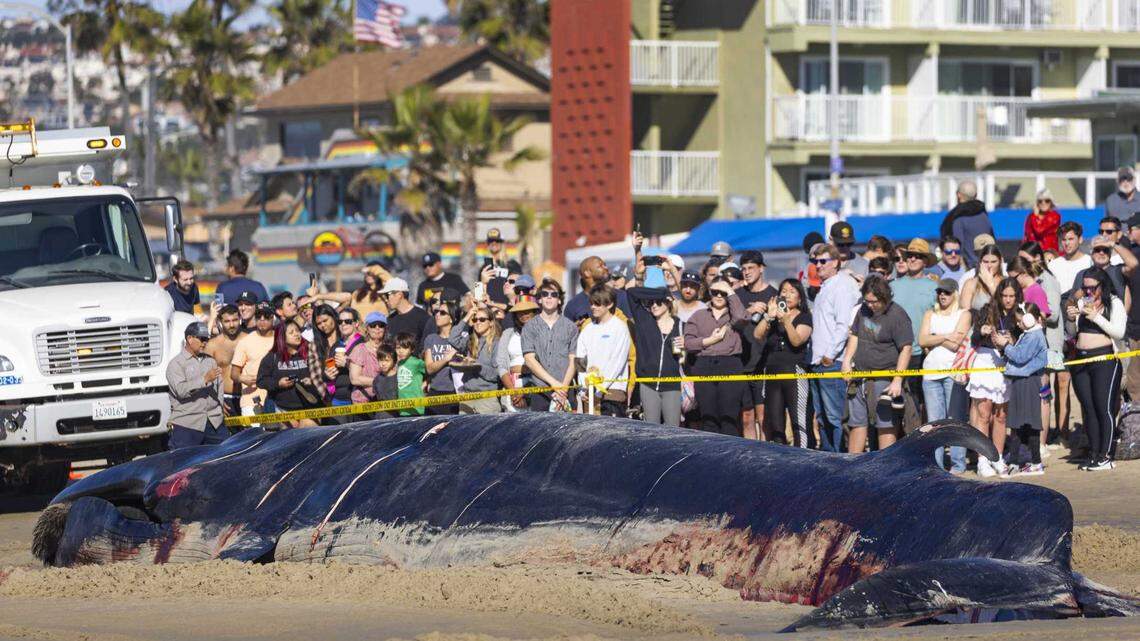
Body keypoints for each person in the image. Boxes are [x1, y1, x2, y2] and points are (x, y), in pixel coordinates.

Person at [842, 276, 913, 454]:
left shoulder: (897, 315)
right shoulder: (863, 310)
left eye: (874, 302)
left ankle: (886, 471)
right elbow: (855, 335)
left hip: (884, 378)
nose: (870, 305)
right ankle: (852, 468)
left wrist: (897, 380)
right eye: (867, 300)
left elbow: (906, 349)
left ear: (885, 298)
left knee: (886, 426)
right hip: (859, 378)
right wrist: (846, 361)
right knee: (856, 424)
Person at [1066, 267, 1126, 471]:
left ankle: (1106, 455)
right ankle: (1093, 453)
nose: (1089, 292)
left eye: (1093, 287)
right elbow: (1073, 333)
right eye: (1085, 288)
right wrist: (1071, 317)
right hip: (1082, 361)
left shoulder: (1114, 303)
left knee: (1104, 407)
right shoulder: (1083, 302)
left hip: (1105, 360)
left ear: (1102, 285)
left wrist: (1096, 317)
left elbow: (1119, 332)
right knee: (1089, 409)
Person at [808, 243, 862, 452]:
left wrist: (829, 355)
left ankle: (840, 460)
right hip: (818, 362)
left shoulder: (842, 285)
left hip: (833, 361)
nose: (818, 265)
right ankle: (830, 461)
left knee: (835, 416)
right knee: (822, 417)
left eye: (823, 261)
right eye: (815, 261)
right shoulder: (826, 286)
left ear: (836, 262)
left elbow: (843, 324)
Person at [970, 277, 1021, 477]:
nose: (1008, 300)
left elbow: (1024, 340)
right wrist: (981, 331)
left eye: (1011, 296)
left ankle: (998, 457)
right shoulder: (987, 311)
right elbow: (974, 338)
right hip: (985, 360)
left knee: (1001, 416)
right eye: (1004, 295)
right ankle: (982, 459)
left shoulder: (1019, 314)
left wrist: (1012, 339)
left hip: (1005, 364)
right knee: (983, 414)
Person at [919, 279, 971, 473]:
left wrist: (934, 336)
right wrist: (945, 336)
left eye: (947, 292)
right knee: (935, 422)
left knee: (955, 419)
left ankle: (958, 464)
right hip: (931, 372)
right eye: (940, 291)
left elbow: (956, 344)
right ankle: (937, 466)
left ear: (955, 294)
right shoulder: (929, 314)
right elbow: (922, 339)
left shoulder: (963, 314)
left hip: (953, 372)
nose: (942, 295)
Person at [753, 279, 813, 447]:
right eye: (784, 291)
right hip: (772, 372)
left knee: (798, 421)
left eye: (792, 291)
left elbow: (797, 341)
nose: (787, 294)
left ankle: (803, 457)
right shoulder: (773, 318)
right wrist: (768, 316)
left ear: (800, 297)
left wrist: (786, 320)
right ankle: (782, 459)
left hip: (794, 372)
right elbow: (757, 335)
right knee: (775, 422)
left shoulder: (804, 317)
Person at [684, 278, 747, 436]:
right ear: (709, 293)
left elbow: (742, 317)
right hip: (704, 365)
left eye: (723, 292)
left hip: (730, 364)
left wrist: (730, 291)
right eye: (715, 292)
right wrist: (709, 341)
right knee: (708, 418)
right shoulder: (698, 315)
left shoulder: (735, 313)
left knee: (730, 418)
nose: (719, 295)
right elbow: (688, 344)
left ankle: (731, 457)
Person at [890, 238, 939, 431]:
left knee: (919, 404)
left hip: (921, 353)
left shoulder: (934, 288)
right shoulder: (893, 286)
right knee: (894, 403)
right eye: (910, 255)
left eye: (918, 256)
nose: (912, 259)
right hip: (894, 352)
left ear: (925, 261)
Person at [996, 303, 1048, 477]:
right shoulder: (1029, 334)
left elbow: (1020, 356)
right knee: (1020, 422)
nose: (1018, 324)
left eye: (1020, 321)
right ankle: (1030, 462)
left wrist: (1005, 345)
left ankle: (1024, 463)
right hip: (1023, 380)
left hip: (1027, 381)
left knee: (1023, 423)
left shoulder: (1034, 336)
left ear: (1029, 319)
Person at [736, 250, 778, 440]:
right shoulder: (737, 295)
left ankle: (766, 455)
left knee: (763, 417)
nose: (746, 272)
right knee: (746, 417)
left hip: (764, 364)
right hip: (742, 363)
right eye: (743, 268)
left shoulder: (773, 295)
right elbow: (730, 323)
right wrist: (748, 311)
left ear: (761, 268)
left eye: (751, 268)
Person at [627, 286, 684, 426]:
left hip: (672, 383)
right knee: (652, 429)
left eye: (658, 302)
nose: (653, 305)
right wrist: (661, 293)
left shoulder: (681, 325)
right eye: (650, 302)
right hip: (648, 383)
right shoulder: (644, 320)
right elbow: (631, 293)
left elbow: (689, 354)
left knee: (673, 429)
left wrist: (687, 344)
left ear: (668, 302)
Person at [166, 322, 226, 449]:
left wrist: (219, 409)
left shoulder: (210, 361)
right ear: (189, 338)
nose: (205, 342)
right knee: (185, 466)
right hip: (187, 424)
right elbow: (180, 390)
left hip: (214, 422)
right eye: (202, 339)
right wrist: (204, 380)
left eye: (207, 339)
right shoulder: (176, 364)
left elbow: (219, 386)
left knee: (224, 460)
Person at [575, 284, 633, 417]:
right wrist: (584, 388)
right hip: (588, 393)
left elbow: (617, 363)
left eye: (597, 304)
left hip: (613, 392)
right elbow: (580, 360)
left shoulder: (620, 328)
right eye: (591, 303)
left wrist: (599, 390)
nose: (593, 307)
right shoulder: (587, 328)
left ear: (609, 304)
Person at [522, 278, 578, 412]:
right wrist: (555, 385)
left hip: (566, 391)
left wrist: (563, 389)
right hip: (540, 390)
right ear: (539, 299)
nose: (549, 297)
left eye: (554, 294)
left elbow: (573, 360)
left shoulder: (571, 327)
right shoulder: (529, 327)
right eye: (545, 294)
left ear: (559, 300)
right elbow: (529, 360)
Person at [256, 322, 322, 427]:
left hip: (309, 409)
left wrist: (311, 381)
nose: (297, 334)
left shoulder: (311, 352)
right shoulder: (272, 356)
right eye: (291, 332)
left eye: (297, 331)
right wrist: (278, 383)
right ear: (282, 337)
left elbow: (321, 375)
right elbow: (261, 381)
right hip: (283, 411)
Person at [451, 304, 503, 414]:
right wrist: (467, 317)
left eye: (482, 319)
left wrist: (477, 366)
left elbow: (496, 375)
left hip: (487, 398)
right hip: (467, 396)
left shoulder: (497, 343)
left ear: (491, 323)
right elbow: (452, 339)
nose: (478, 322)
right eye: (475, 319)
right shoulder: (470, 340)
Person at [230, 304, 276, 417]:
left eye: (266, 316)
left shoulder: (281, 339)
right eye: (258, 316)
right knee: (256, 435)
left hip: (278, 400)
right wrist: (242, 378)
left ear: (273, 318)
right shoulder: (245, 342)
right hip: (251, 401)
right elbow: (234, 373)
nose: (262, 320)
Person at [423, 299, 466, 415]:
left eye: (442, 313)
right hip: (435, 392)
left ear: (452, 318)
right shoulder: (431, 338)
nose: (437, 315)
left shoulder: (461, 340)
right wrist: (446, 358)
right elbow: (429, 368)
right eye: (436, 312)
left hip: (455, 393)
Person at [495, 295, 538, 412]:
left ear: (534, 312)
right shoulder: (508, 333)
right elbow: (501, 364)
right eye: (519, 312)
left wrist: (524, 392)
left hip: (535, 388)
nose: (523, 314)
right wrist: (514, 392)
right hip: (511, 388)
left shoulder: (542, 334)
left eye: (527, 311)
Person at [1068, 234, 1137, 304]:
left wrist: (1112, 244)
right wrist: (1076, 297)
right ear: (1091, 253)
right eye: (1097, 250)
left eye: (1105, 250)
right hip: (1090, 313)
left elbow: (1134, 264)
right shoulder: (1082, 274)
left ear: (1110, 253)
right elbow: (1069, 303)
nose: (1101, 253)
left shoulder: (1118, 271)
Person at [940, 180, 993, 268]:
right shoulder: (984, 216)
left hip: (968, 267)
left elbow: (957, 244)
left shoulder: (957, 218)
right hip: (987, 265)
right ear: (976, 195)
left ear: (959, 195)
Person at [564, 255, 633, 322]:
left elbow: (633, 326)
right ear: (587, 273)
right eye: (600, 266)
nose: (606, 268)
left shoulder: (621, 296)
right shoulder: (573, 305)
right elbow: (567, 332)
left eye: (605, 265)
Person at [204, 304, 245, 416]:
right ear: (220, 322)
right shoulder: (212, 345)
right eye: (227, 321)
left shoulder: (250, 340)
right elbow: (205, 376)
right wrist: (216, 399)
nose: (231, 325)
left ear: (240, 319)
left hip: (248, 398)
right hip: (223, 399)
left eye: (235, 320)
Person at [347, 312, 386, 405]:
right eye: (373, 325)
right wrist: (383, 382)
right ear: (367, 328)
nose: (377, 328)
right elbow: (354, 379)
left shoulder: (390, 349)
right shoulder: (359, 349)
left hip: (385, 400)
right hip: (362, 402)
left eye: (381, 325)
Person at [381, 277, 430, 347]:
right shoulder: (390, 320)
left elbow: (427, 347)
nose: (386, 300)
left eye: (387, 295)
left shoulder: (423, 317)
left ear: (399, 295)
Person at [1048, 222, 1092, 296]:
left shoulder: (1089, 262)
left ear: (1080, 239)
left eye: (1071, 239)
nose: (1067, 243)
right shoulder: (1053, 265)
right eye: (1063, 239)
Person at [960, 244, 1003, 311]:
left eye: (993, 262)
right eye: (985, 262)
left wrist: (990, 285)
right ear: (980, 262)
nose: (989, 265)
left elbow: (1005, 308)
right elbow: (965, 312)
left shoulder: (1006, 282)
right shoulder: (970, 283)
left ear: (1000, 262)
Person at [393, 332, 427, 416]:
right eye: (398, 348)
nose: (401, 351)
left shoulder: (417, 362)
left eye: (405, 348)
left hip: (416, 407)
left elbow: (430, 371)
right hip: (403, 408)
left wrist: (426, 383)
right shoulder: (399, 363)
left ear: (412, 349)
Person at [1022, 188, 1061, 255]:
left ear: (1051, 202)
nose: (1043, 203)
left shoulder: (1055, 216)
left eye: (1047, 200)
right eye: (1040, 201)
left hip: (1048, 253)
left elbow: (1039, 231)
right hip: (1032, 252)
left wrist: (1035, 217)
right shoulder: (1031, 216)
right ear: (1037, 203)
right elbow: (1026, 236)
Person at [371, 344, 400, 418]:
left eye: (387, 361)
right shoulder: (376, 379)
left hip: (396, 418)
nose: (383, 364)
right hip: (379, 418)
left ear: (394, 361)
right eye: (381, 360)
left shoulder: (399, 378)